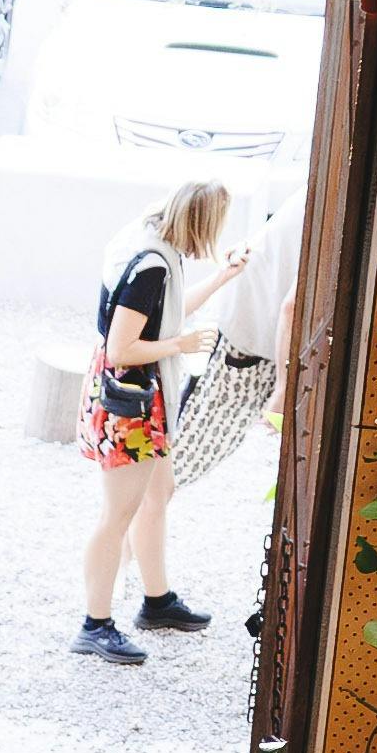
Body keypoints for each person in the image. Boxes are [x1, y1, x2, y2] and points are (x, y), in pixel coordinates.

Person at [78, 181, 252, 666]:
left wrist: (222, 278)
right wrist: (181, 345)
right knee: (117, 515)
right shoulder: (152, 266)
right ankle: (95, 624)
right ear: (201, 223)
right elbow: (121, 349)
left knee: (158, 494)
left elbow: (162, 315)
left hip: (138, 397)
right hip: (129, 400)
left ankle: (156, 602)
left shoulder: (150, 239)